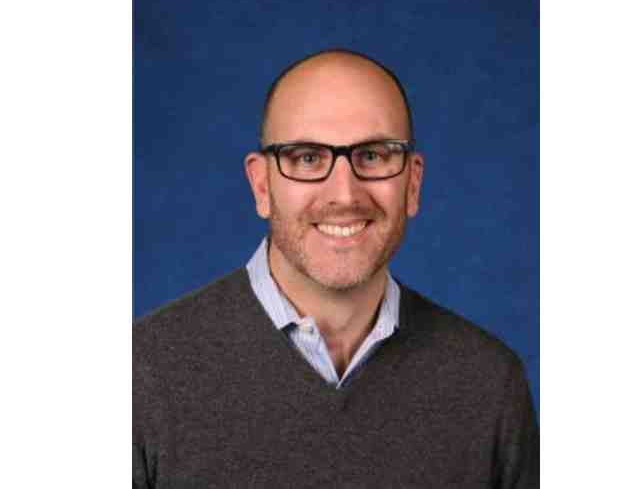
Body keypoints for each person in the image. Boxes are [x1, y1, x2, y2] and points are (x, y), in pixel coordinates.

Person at [133, 49, 539, 488]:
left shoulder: (489, 383)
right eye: (307, 158)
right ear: (261, 185)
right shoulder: (139, 374)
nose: (344, 195)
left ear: (413, 184)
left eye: (374, 155)